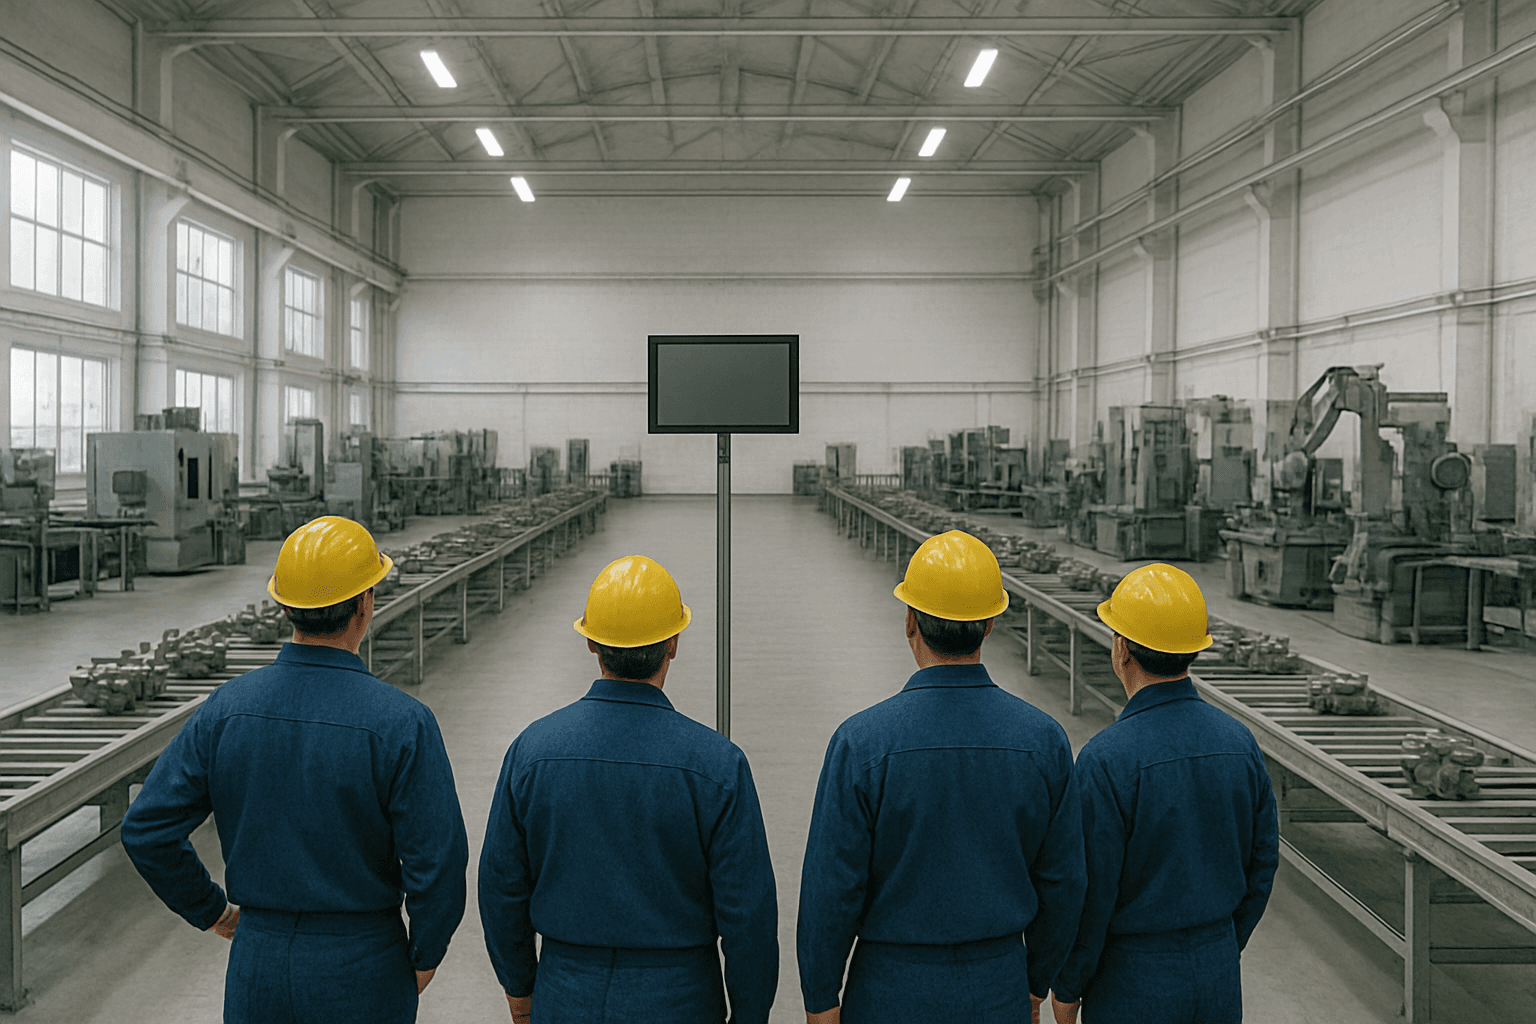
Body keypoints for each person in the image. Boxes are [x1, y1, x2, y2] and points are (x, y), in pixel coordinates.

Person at [120, 516, 469, 1024]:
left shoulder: (227, 709)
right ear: (365, 603)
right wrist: (425, 952)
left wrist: (211, 909)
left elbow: (146, 828)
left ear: (284, 606)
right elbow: (437, 863)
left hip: (257, 962)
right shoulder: (401, 723)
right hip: (364, 962)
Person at [798, 530, 1085, 1024]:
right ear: (991, 623)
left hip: (889, 989)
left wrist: (821, 998)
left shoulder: (861, 743)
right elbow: (1063, 883)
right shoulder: (1044, 741)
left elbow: (832, 888)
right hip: (998, 984)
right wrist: (1034, 983)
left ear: (909, 620)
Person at [479, 555, 778, 1024]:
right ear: (673, 643)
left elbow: (501, 888)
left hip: (565, 991)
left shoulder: (532, 753)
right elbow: (749, 919)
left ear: (592, 644)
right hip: (681, 998)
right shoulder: (717, 765)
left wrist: (520, 989)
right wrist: (751, 1013)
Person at [1049, 563, 1279, 1024]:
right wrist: (1221, 943)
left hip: (1132, 977)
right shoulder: (1239, 743)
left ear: (1123, 648)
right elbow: (1262, 862)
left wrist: (1069, 983)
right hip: (1217, 969)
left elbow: (1093, 891)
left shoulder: (1106, 759)